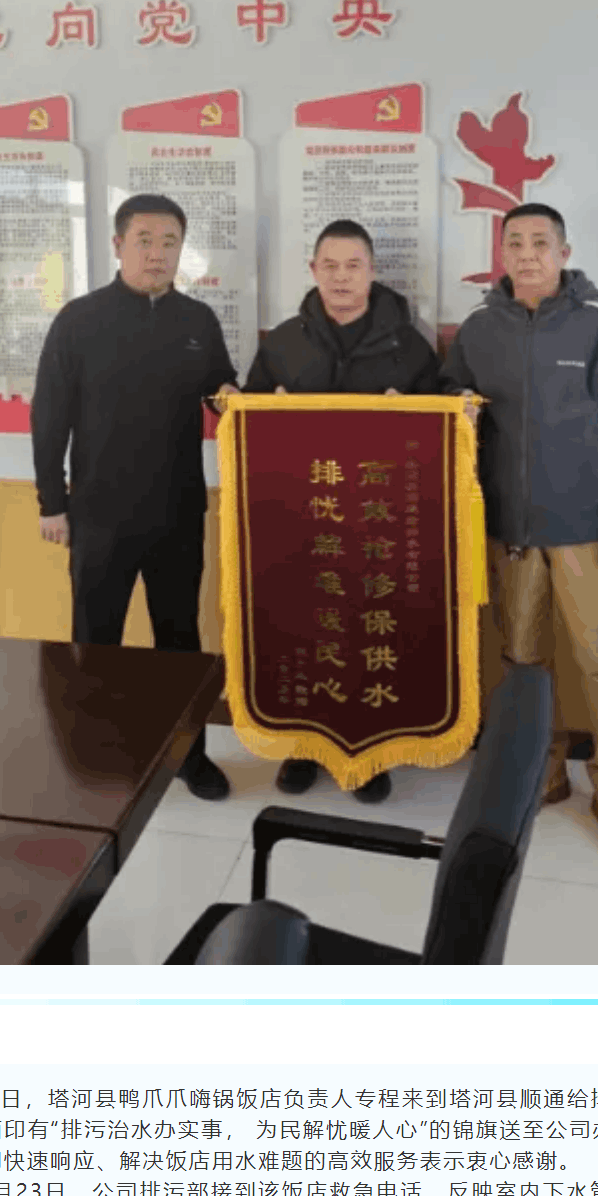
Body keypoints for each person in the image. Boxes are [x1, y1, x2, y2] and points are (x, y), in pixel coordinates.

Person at [440, 203, 598, 866]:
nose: (527, 254)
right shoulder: (479, 329)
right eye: (514, 242)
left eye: (540, 243)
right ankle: (545, 770)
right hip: (509, 531)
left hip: (586, 528)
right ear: (501, 252)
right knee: (524, 663)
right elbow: (452, 413)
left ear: (564, 253)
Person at [30, 193, 235, 800]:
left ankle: (190, 758)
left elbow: (220, 392)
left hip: (177, 513)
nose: (157, 253)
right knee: (97, 643)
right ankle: (97, 758)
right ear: (118, 245)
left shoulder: (198, 321)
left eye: (170, 242)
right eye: (145, 240)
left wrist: (235, 397)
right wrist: (51, 502)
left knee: (180, 644)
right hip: (99, 516)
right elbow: (49, 418)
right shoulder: (79, 320)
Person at [244, 217, 441, 804]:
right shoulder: (283, 342)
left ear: (373, 271)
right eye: (329, 266)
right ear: (312, 270)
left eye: (353, 266)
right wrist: (251, 407)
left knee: (371, 634)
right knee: (302, 633)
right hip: (301, 521)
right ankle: (304, 748)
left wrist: (411, 416)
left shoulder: (411, 345)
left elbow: (440, 437)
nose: (341, 277)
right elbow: (247, 421)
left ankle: (371, 754)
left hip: (378, 524)